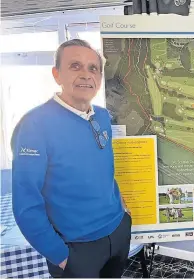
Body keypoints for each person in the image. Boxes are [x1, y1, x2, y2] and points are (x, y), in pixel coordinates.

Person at [11, 39, 132, 278]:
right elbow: (26, 204)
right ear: (57, 74)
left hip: (117, 232)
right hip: (76, 249)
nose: (86, 75)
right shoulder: (34, 125)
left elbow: (105, 170)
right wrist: (60, 256)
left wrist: (123, 213)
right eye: (75, 66)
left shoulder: (103, 117)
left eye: (93, 68)